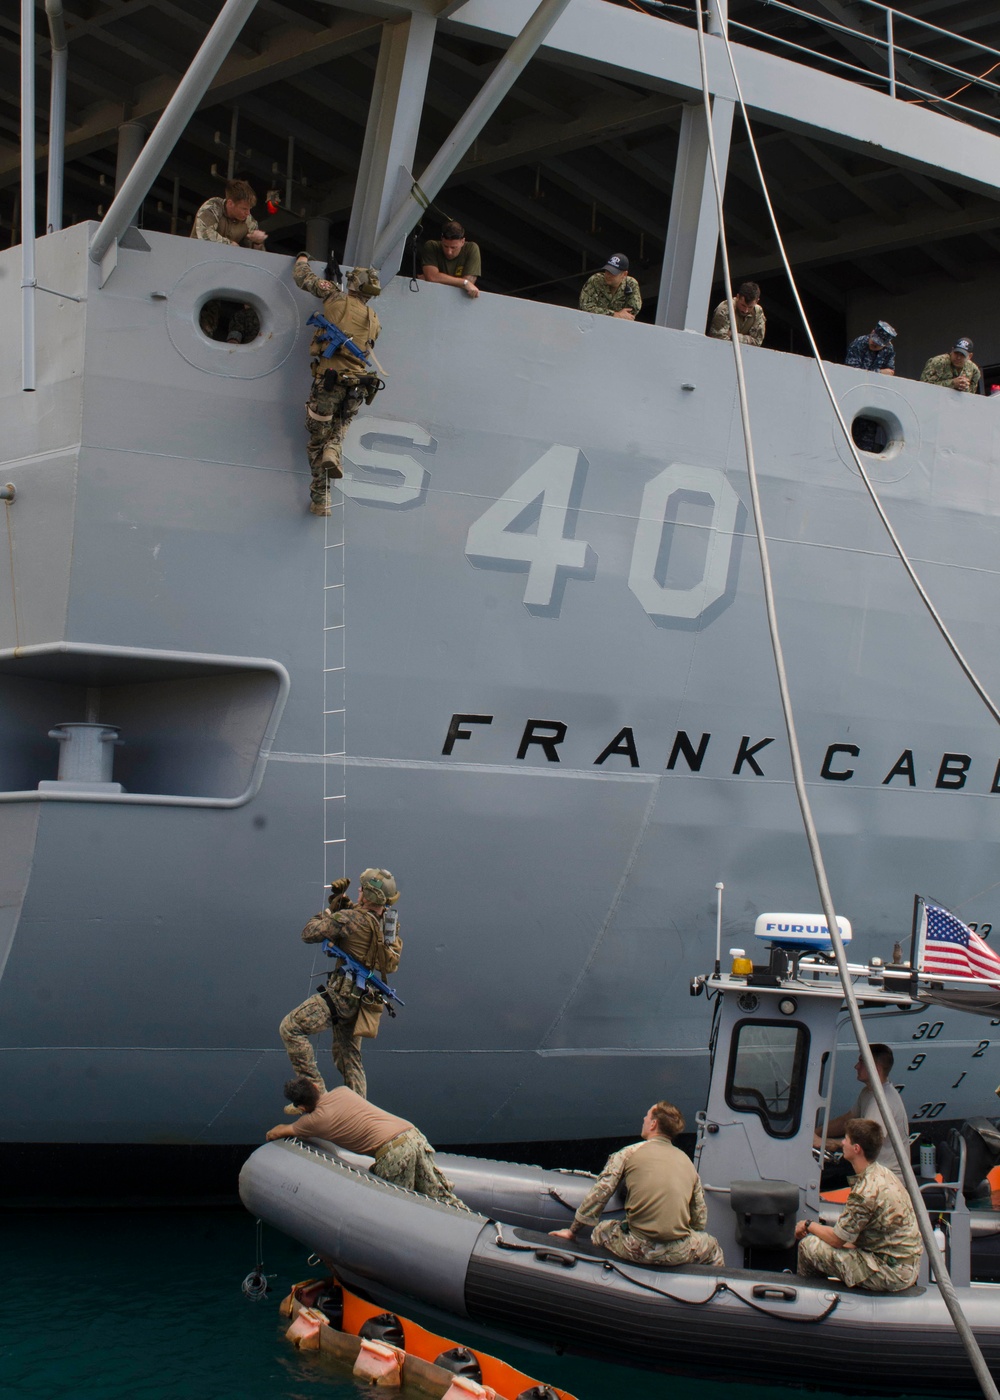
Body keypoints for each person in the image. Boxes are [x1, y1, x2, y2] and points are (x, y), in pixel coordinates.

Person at [548, 1101, 723, 1267]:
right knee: (713, 1247)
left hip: (637, 1248)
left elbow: (600, 1193)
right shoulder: (688, 1164)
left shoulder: (629, 1153)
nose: (644, 1119)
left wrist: (572, 1231)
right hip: (678, 1252)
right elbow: (700, 1220)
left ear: (653, 1124)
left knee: (601, 1230)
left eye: (647, 1116)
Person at [279, 869, 401, 1098]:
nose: (358, 890)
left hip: (341, 996)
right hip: (362, 999)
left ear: (369, 895)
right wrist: (342, 902)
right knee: (349, 1057)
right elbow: (389, 961)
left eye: (362, 888)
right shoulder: (387, 923)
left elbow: (309, 933)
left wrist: (327, 911)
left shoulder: (350, 919)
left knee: (291, 1027)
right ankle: (359, 1114)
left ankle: (316, 1097)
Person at [265, 1077, 468, 1208]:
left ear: (301, 1107)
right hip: (413, 1135)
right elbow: (321, 1100)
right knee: (441, 1196)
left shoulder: (312, 1122)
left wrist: (276, 1130)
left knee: (398, 1208)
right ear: (316, 1086)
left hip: (394, 1153)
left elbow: (279, 1132)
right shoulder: (342, 1091)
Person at [291, 257, 382, 516]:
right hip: (357, 386)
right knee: (343, 423)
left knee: (315, 440)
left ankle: (321, 498)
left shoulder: (332, 296)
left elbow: (302, 277)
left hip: (329, 381)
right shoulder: (375, 319)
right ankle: (334, 448)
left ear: (352, 284)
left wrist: (302, 259)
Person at [796, 1118, 922, 1292]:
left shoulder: (865, 1191)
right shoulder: (884, 1173)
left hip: (891, 1273)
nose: (842, 1142)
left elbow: (837, 1240)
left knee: (808, 1246)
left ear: (856, 1149)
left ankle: (809, 1299)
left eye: (846, 1140)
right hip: (903, 1265)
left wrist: (808, 1225)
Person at [816, 1043, 908, 1179]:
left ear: (875, 1069)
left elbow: (866, 1143)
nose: (856, 1066)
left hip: (886, 1181)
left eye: (861, 1062)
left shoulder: (882, 1102)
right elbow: (847, 1120)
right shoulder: (868, 1092)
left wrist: (825, 1143)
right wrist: (816, 1132)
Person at [190, 178, 267, 249]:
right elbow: (205, 237)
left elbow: (257, 257)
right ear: (230, 203)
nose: (248, 213)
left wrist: (257, 242)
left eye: (250, 209)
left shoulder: (249, 221)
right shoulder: (212, 208)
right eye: (244, 209)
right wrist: (230, 245)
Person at [420, 221, 481, 297]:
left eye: (453, 247)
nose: (449, 252)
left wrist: (438, 278)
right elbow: (432, 277)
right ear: (442, 239)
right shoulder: (432, 246)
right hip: (431, 295)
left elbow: (469, 283)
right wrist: (464, 282)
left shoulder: (471, 249)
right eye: (445, 246)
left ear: (463, 242)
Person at [578, 254, 641, 320]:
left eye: (613, 273)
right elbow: (585, 307)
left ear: (624, 274)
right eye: (607, 271)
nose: (608, 275)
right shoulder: (595, 280)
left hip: (618, 327)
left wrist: (618, 316)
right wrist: (614, 314)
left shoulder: (631, 284)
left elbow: (631, 313)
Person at [708, 282, 765, 346]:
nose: (746, 310)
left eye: (750, 307)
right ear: (737, 297)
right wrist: (748, 339)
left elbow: (757, 342)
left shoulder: (758, 312)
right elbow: (718, 338)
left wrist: (732, 335)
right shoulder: (725, 309)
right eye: (743, 305)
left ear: (757, 301)